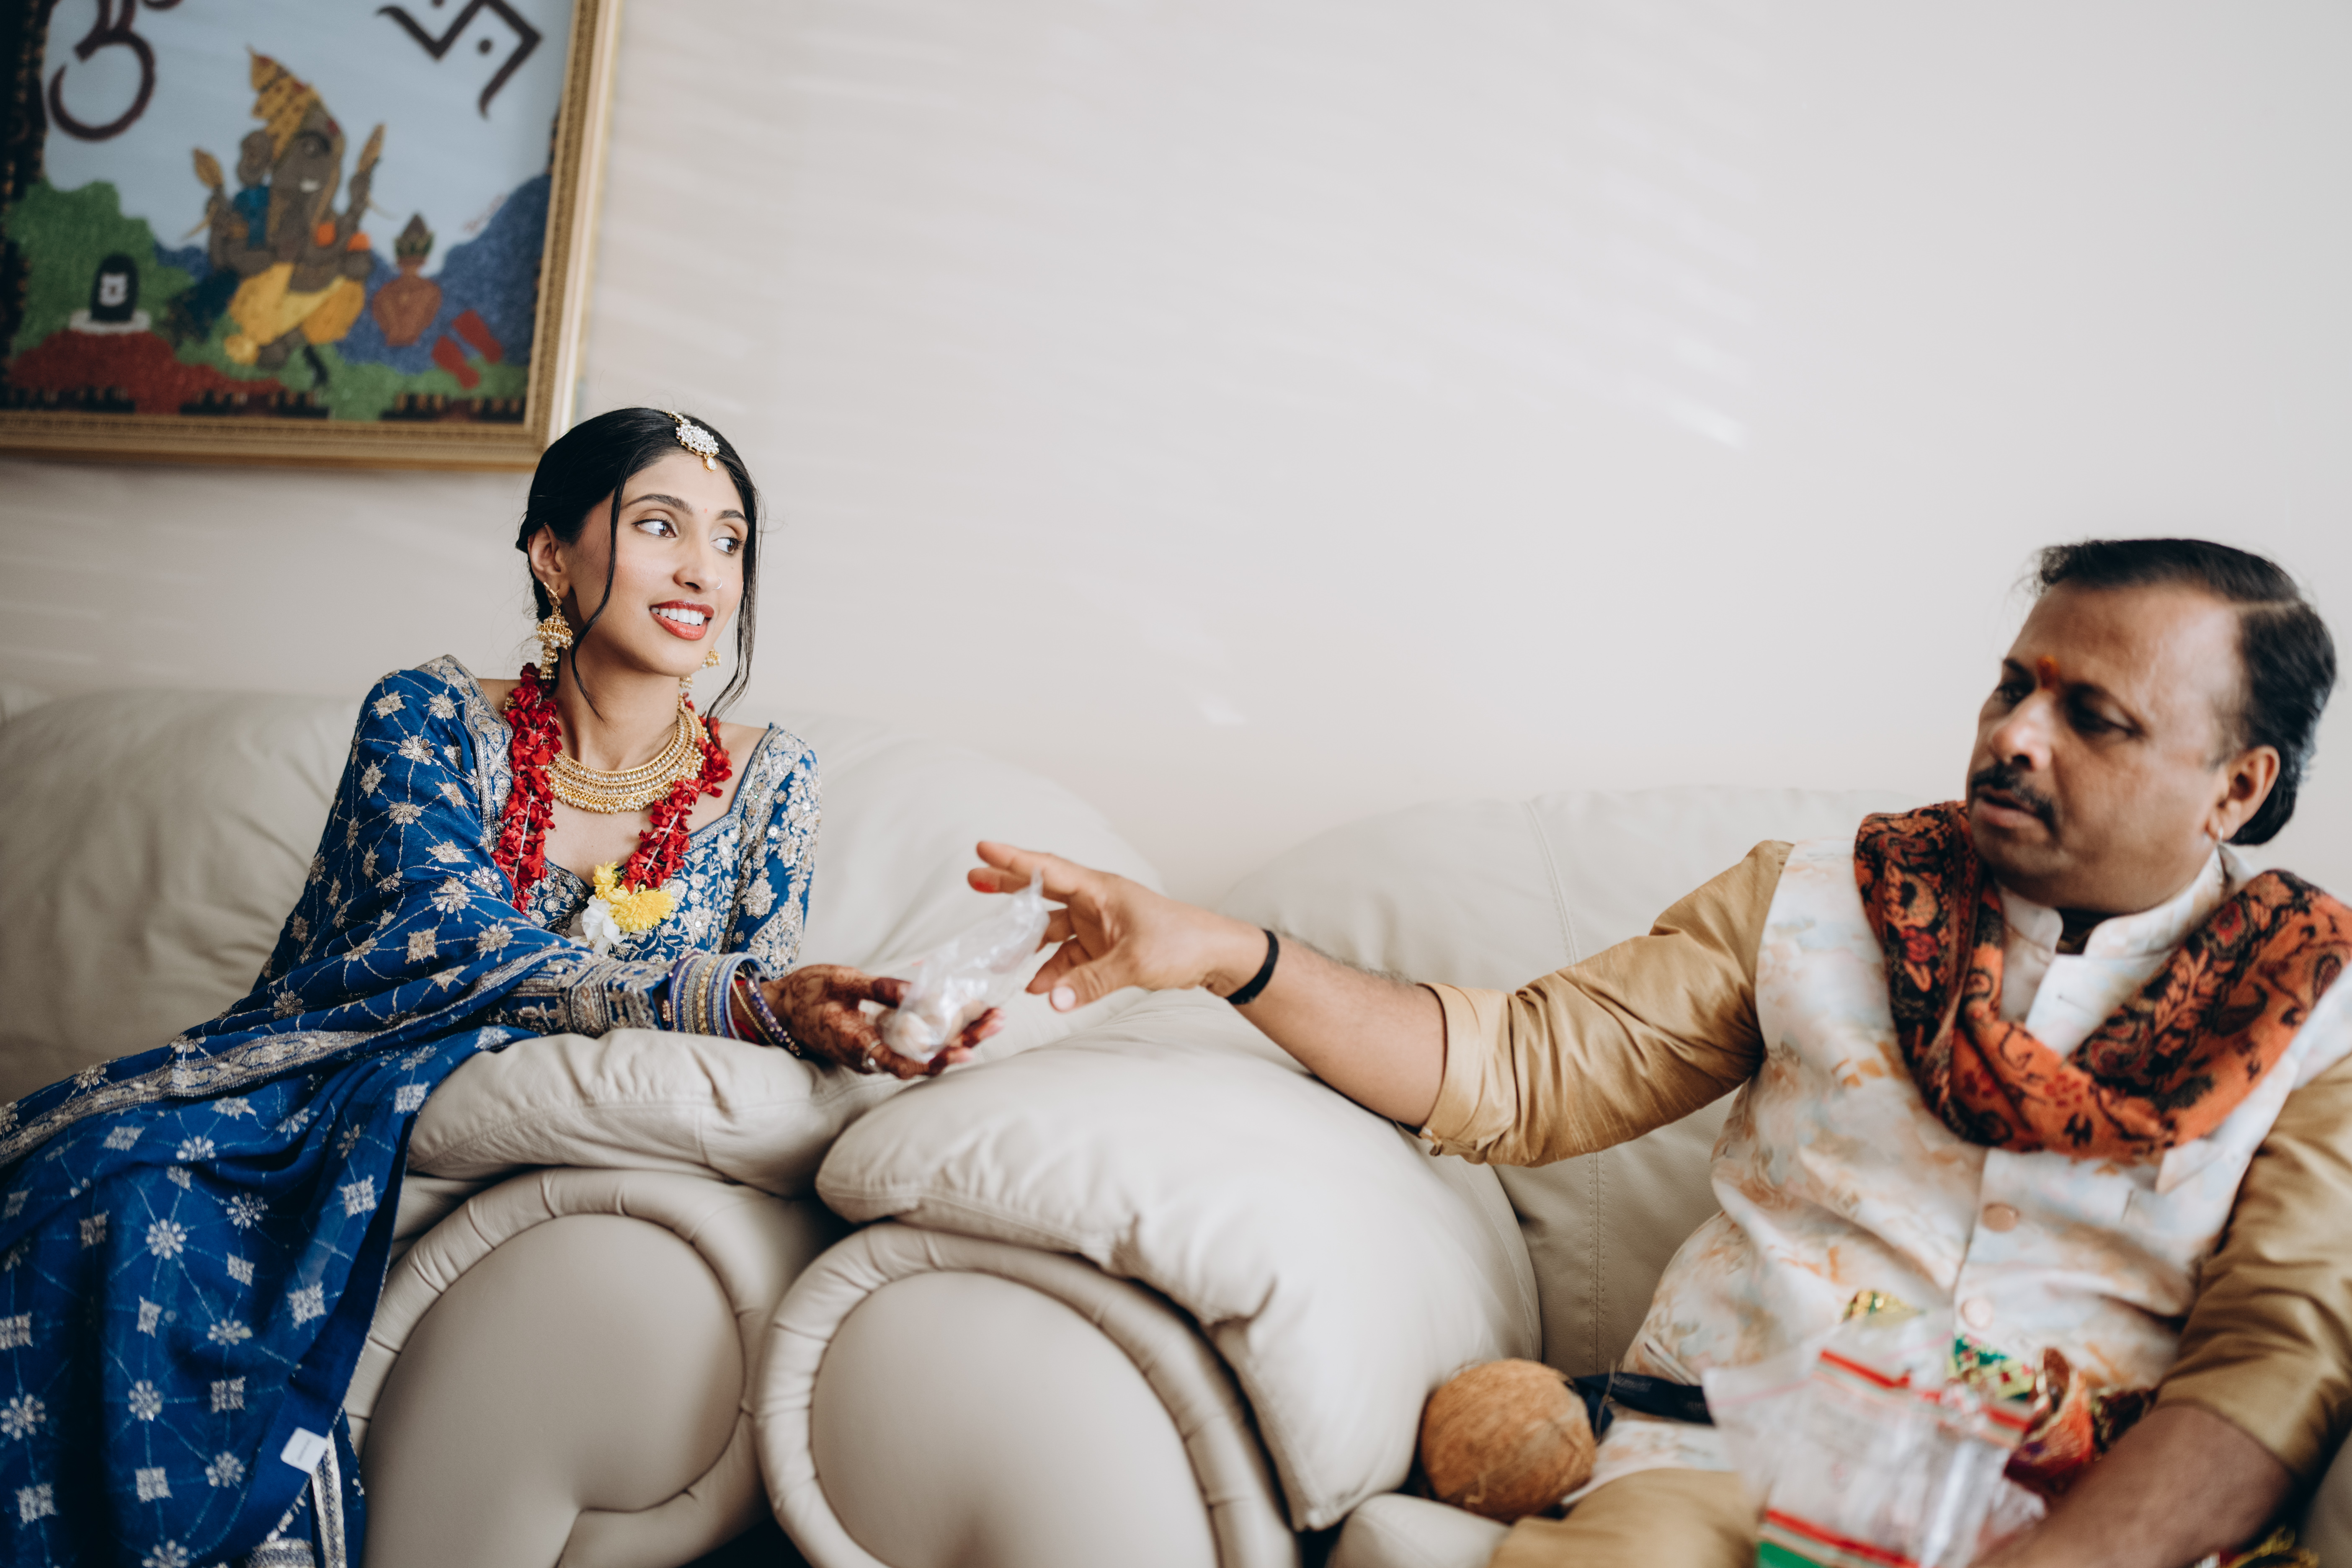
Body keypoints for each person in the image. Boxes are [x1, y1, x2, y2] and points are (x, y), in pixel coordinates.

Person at [968, 538, 2347, 1568]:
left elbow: (2276, 1363)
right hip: (1726, 1465)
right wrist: (1227, 952)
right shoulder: (1821, 900)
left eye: (2092, 716)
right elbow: (1525, 1069)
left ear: (2238, 787)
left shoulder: (2322, 1023)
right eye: (2012, 687)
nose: (2014, 736)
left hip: (2075, 1513)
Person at [0, 407, 988, 1568]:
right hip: (329, 1094)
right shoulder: (423, 717)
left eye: (730, 540)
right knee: (107, 1193)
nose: (703, 570)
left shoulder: (774, 781)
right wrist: (730, 997)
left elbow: (757, 1017)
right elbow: (448, 939)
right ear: (552, 555)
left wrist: (849, 1021)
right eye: (659, 526)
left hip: (562, 1144)